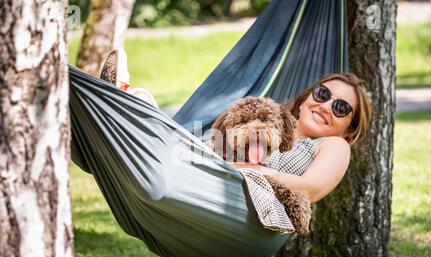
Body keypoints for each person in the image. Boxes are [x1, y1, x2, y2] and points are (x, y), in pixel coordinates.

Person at [100, 49, 372, 205]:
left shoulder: (334, 145)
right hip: (209, 174)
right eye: (323, 94)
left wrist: (243, 170)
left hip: (237, 208)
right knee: (178, 148)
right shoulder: (272, 122)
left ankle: (130, 105)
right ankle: (123, 110)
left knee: (170, 153)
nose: (326, 106)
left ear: (348, 129)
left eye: (341, 108)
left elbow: (309, 189)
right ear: (305, 100)